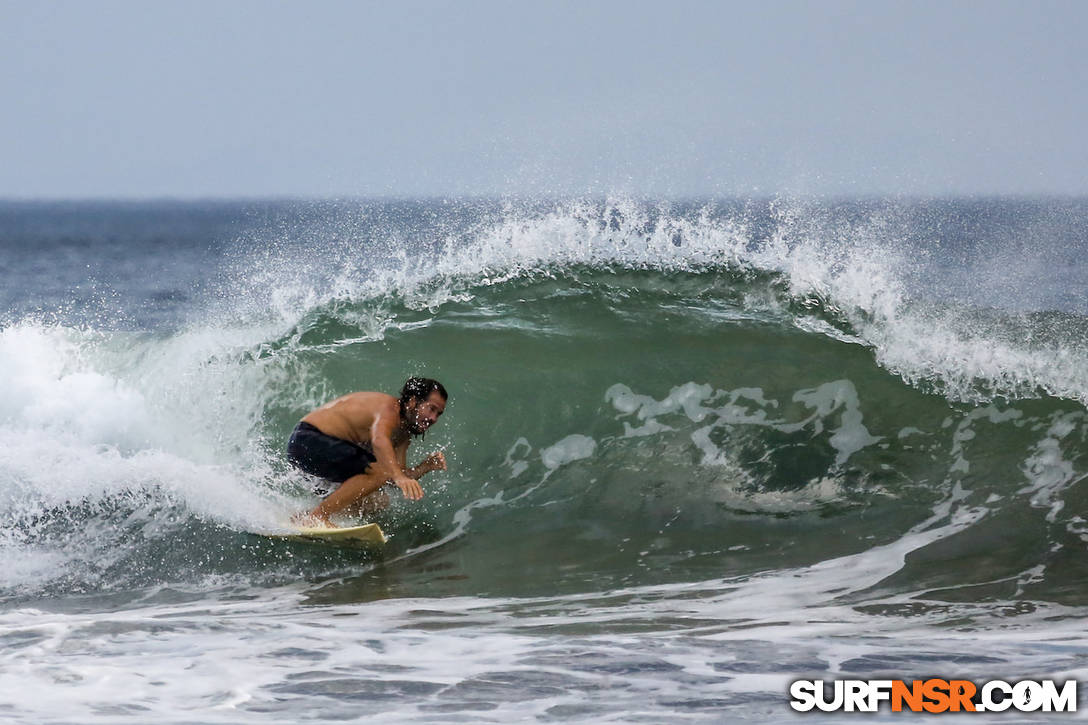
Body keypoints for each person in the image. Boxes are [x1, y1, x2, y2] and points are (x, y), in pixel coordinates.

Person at [287, 377, 448, 526]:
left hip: (319, 454)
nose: (434, 418)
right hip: (308, 441)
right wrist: (398, 476)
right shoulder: (389, 409)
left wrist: (424, 467)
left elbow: (394, 477)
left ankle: (304, 518)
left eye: (438, 414)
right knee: (380, 472)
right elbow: (379, 441)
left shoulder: (403, 435)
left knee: (377, 502)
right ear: (413, 402)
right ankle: (318, 517)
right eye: (431, 409)